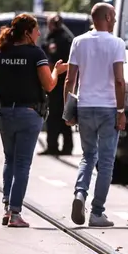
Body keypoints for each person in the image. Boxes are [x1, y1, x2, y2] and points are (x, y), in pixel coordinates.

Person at [0, 13, 68, 228]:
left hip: (5, 113)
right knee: (22, 164)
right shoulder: (35, 54)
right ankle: (15, 213)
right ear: (28, 32)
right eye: (37, 30)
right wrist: (57, 71)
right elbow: (49, 85)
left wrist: (9, 84)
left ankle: (7, 206)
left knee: (9, 160)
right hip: (28, 114)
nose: (40, 34)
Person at [63, 2, 126, 227]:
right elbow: (119, 80)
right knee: (106, 162)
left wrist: (67, 111)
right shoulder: (116, 43)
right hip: (108, 108)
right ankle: (97, 212)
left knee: (88, 156)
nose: (116, 20)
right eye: (114, 16)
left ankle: (80, 194)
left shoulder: (78, 42)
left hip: (85, 106)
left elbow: (70, 80)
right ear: (107, 17)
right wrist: (121, 111)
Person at [40, 13, 75, 155]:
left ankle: (57, 146)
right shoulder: (57, 38)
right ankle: (59, 146)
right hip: (59, 83)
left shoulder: (60, 40)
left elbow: (54, 61)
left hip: (59, 83)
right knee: (60, 115)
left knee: (57, 115)